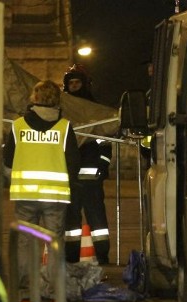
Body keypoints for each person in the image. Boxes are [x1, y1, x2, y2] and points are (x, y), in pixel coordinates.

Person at [4, 79, 80, 302]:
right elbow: (73, 162)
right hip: (55, 196)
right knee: (54, 242)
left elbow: (7, 161)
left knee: (25, 243)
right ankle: (56, 294)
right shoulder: (64, 127)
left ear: (34, 98)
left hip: (25, 195)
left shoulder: (18, 126)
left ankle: (26, 295)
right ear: (57, 99)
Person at [62, 64, 113, 264]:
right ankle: (71, 256)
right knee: (71, 221)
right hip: (70, 176)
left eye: (77, 82)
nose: (74, 86)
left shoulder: (95, 110)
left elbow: (105, 142)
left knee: (97, 220)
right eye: (71, 83)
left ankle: (103, 255)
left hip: (91, 176)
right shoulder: (63, 109)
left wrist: (102, 164)